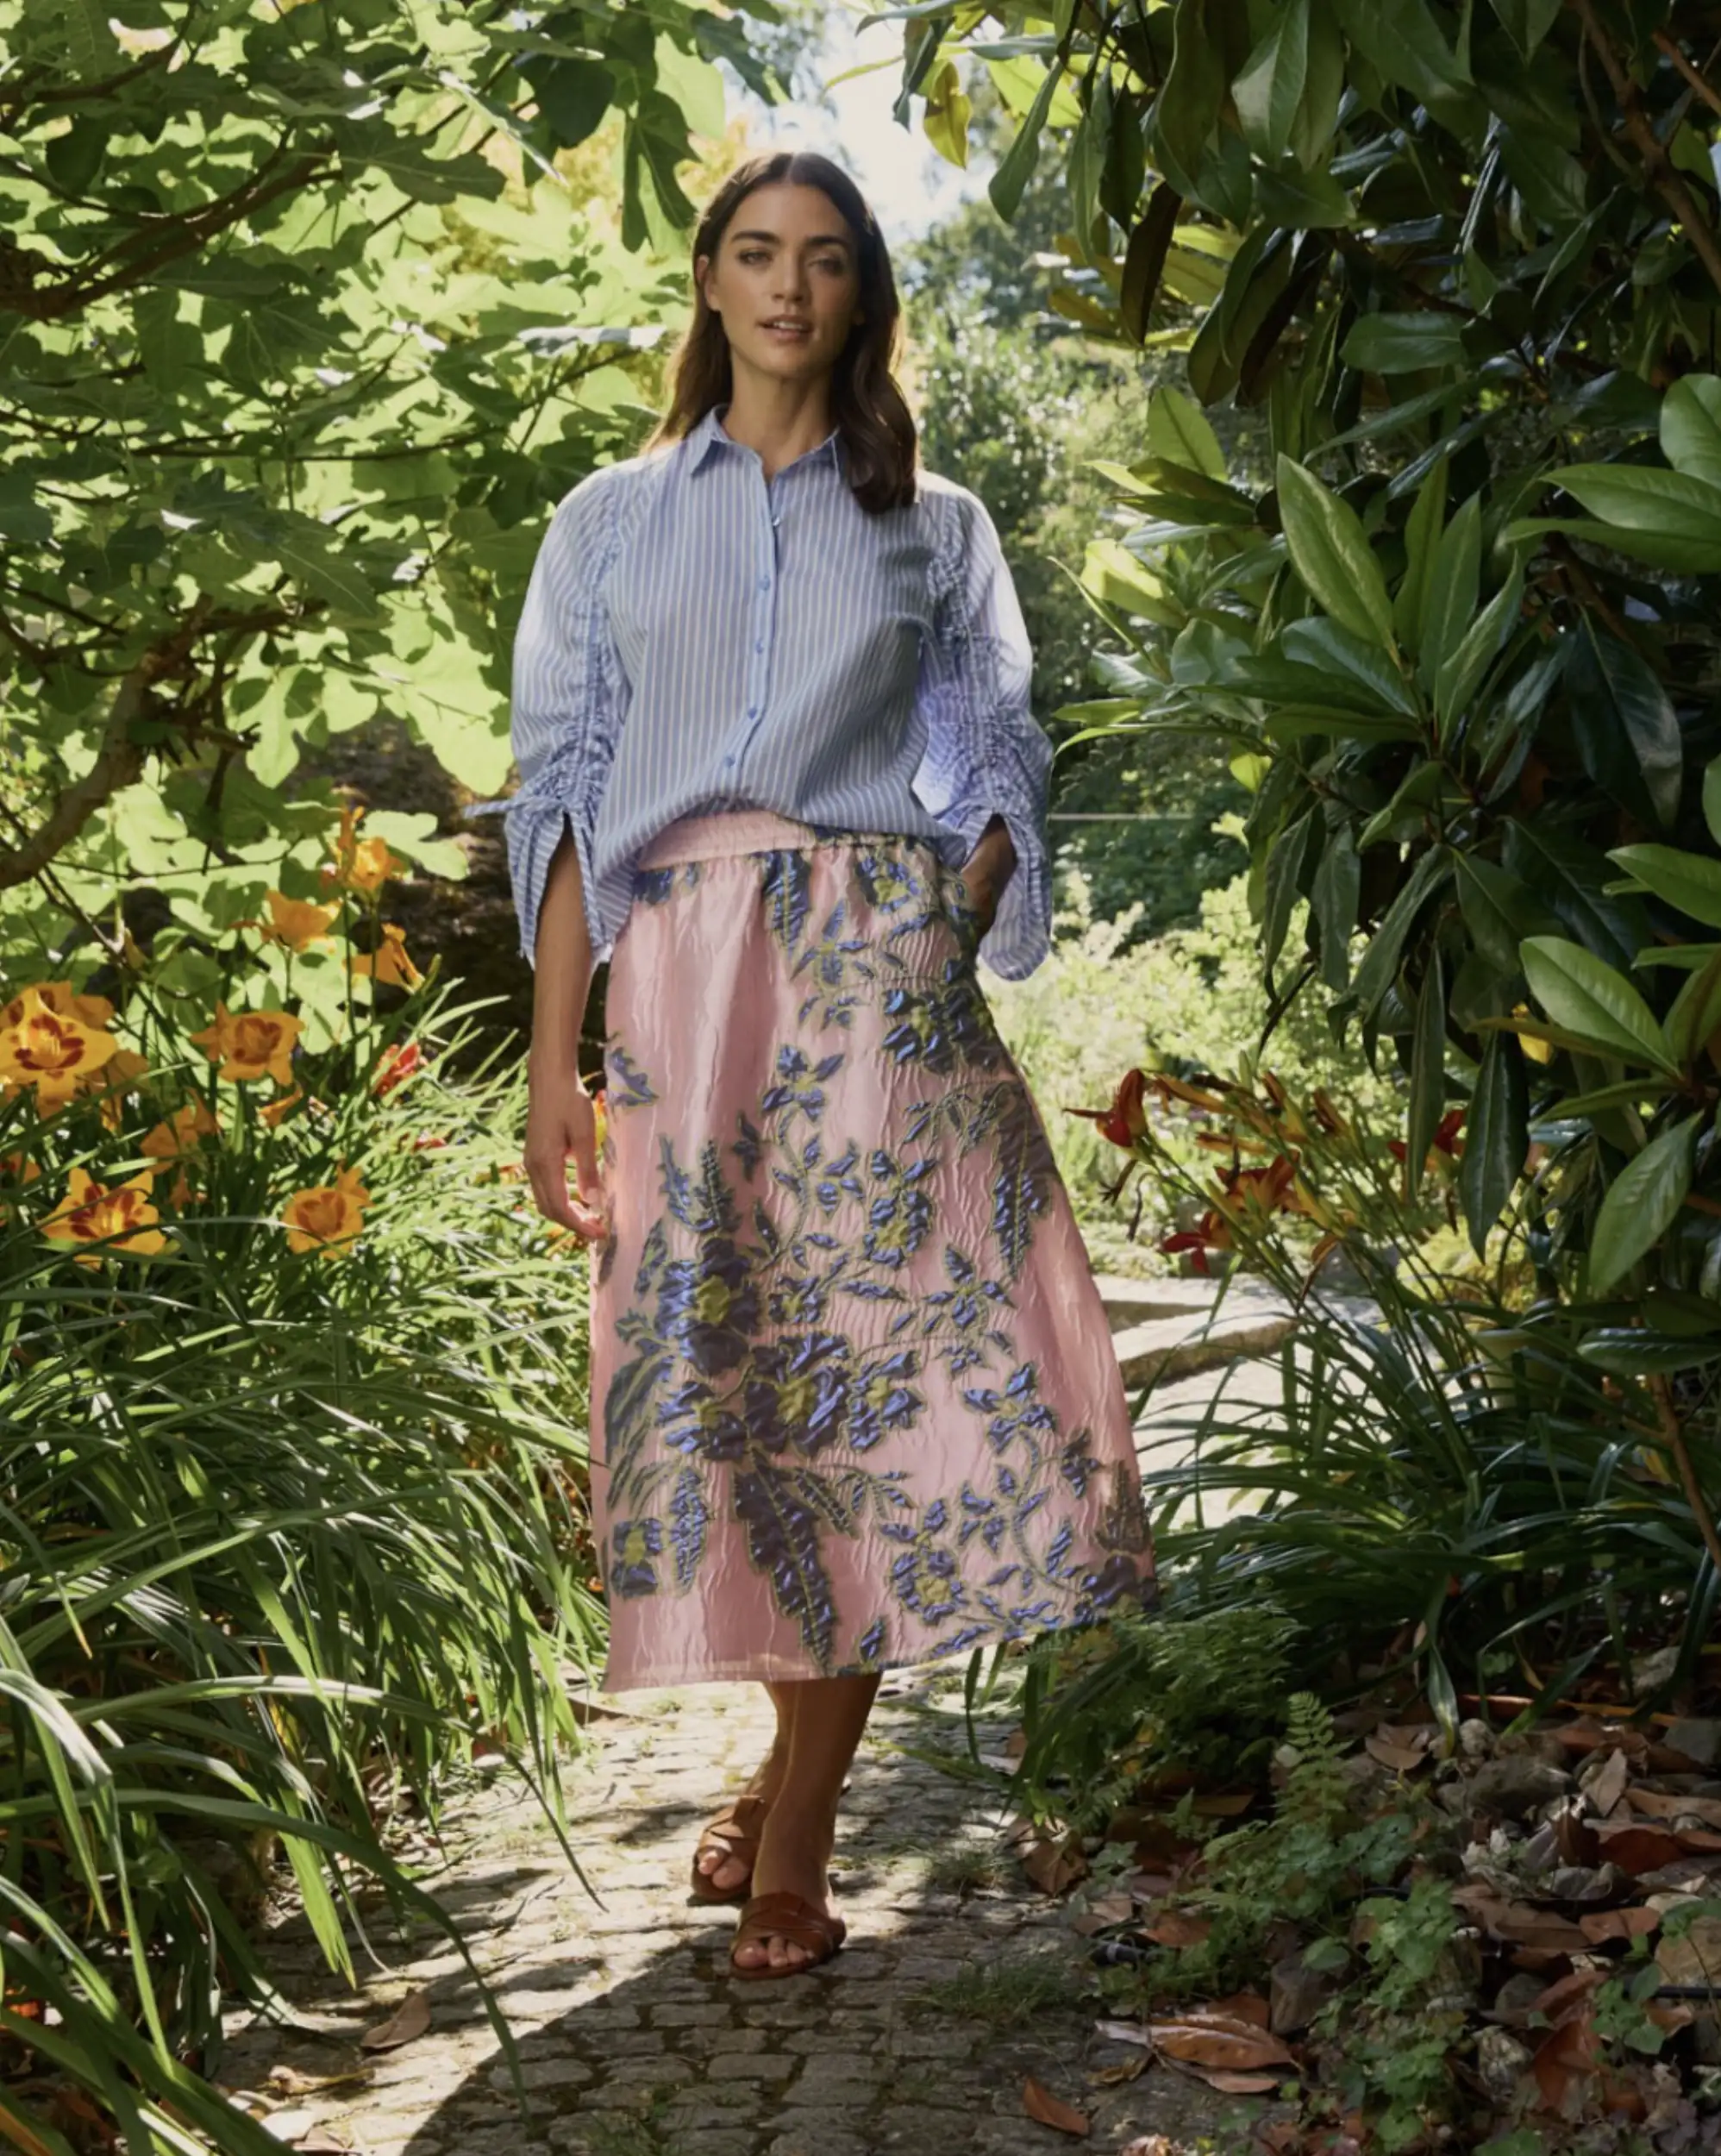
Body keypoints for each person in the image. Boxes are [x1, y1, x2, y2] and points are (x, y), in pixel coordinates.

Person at [487, 149, 1155, 1982]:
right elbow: (565, 806)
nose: (790, 288)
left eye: (829, 259)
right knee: (732, 1386)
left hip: (874, 977)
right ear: (708, 279)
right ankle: (778, 1761)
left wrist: (947, 917)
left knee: (864, 1385)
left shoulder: (933, 525)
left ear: (864, 295)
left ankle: (799, 1832)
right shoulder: (606, 524)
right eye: (758, 253)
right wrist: (554, 1066)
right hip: (681, 982)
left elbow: (1000, 751)